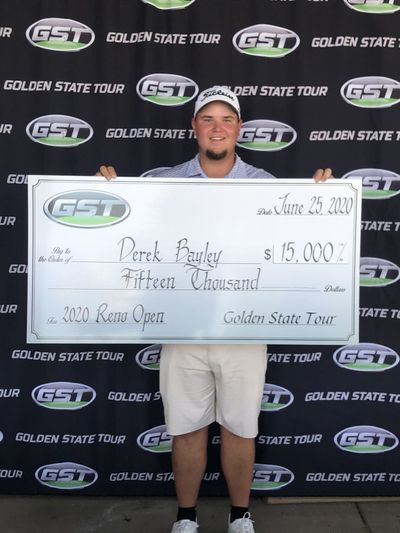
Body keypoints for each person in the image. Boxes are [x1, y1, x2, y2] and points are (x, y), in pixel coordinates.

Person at [98, 86, 333, 533]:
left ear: (239, 129)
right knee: (185, 428)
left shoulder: (265, 185)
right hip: (183, 330)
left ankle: (239, 515)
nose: (218, 127)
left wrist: (322, 201)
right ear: (194, 127)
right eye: (208, 119)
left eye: (227, 119)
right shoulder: (162, 183)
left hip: (244, 331)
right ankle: (186, 517)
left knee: (240, 428)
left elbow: (294, 244)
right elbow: (122, 233)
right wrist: (108, 192)